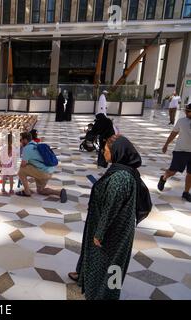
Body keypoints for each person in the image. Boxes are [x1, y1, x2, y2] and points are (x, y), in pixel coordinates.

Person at [68, 135, 141, 300]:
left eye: (106, 150)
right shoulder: (122, 170)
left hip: (113, 231)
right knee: (96, 259)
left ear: (116, 152)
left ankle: (108, 296)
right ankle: (85, 279)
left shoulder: (120, 178)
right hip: (107, 225)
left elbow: (111, 208)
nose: (103, 152)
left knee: (112, 265)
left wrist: (99, 233)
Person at [16, 132, 67, 203]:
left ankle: (27, 192)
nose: (20, 142)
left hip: (43, 172)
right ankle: (59, 193)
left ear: (25, 140)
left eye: (20, 140)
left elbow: (23, 165)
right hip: (49, 171)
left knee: (21, 170)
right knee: (40, 191)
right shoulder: (35, 144)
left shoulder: (27, 148)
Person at [158, 103, 191, 202]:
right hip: (181, 151)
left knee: (190, 174)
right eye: (186, 111)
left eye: (189, 111)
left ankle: (186, 193)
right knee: (173, 171)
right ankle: (163, 178)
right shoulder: (181, 121)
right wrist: (166, 144)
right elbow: (173, 134)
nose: (186, 112)